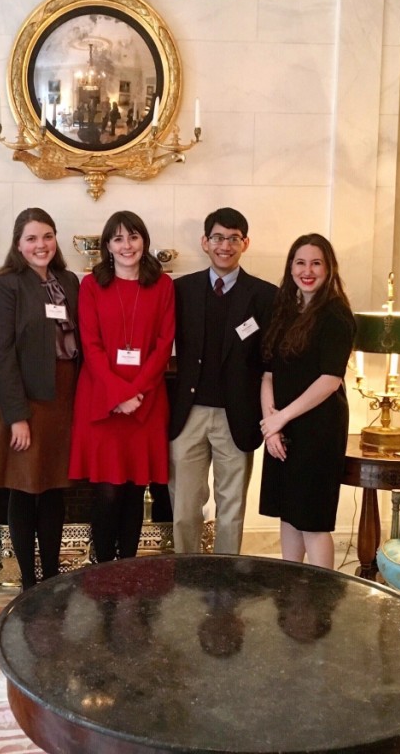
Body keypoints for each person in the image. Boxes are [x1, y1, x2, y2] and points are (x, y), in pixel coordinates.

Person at [0, 208, 80, 590]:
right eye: (32, 238)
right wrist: (17, 415)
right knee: (24, 488)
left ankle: (51, 577)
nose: (41, 245)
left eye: (48, 236)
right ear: (19, 244)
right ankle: (28, 582)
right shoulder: (6, 285)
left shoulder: (68, 281)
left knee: (54, 487)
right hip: (22, 397)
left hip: (63, 396)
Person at [168, 208, 277, 555]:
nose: (225, 245)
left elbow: (270, 360)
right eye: (217, 237)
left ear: (245, 243)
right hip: (189, 414)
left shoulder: (265, 296)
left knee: (231, 510)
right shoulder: (180, 290)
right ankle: (188, 575)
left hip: (237, 415)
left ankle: (225, 581)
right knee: (184, 509)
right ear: (205, 242)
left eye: (233, 238)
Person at [69, 211, 175, 562]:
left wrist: (135, 395)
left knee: (135, 490)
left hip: (146, 402)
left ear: (144, 241)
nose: (126, 245)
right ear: (107, 246)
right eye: (117, 238)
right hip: (102, 402)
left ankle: (127, 566)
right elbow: (91, 344)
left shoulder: (163, 285)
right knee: (107, 491)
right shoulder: (91, 285)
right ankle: (101, 570)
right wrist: (119, 395)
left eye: (132, 237)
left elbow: (164, 345)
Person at [258, 233, 355, 569]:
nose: (307, 270)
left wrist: (280, 418)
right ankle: (291, 590)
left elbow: (330, 380)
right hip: (282, 427)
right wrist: (270, 427)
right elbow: (268, 373)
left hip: (318, 428)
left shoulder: (336, 314)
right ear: (291, 267)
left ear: (328, 269)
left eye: (316, 263)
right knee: (288, 512)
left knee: (311, 519)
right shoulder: (284, 309)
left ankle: (320, 598)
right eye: (300, 262)